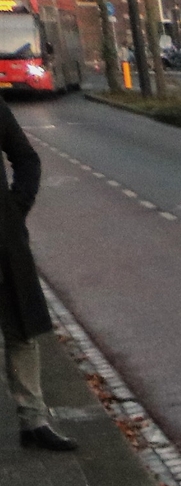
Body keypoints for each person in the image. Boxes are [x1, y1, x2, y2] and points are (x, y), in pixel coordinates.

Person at [1, 98, 69, 453]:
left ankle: (34, 421)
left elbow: (26, 158)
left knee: (22, 330)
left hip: (3, 240)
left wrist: (15, 208)